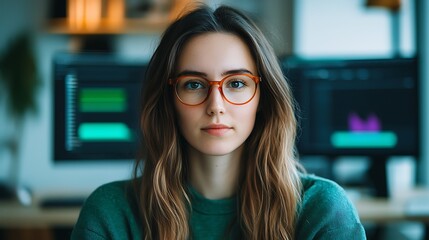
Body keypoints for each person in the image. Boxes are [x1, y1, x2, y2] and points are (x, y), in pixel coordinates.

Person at [71, 5, 366, 240]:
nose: (216, 106)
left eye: (236, 83)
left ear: (263, 98)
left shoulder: (323, 210)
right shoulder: (110, 213)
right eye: (193, 85)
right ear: (168, 100)